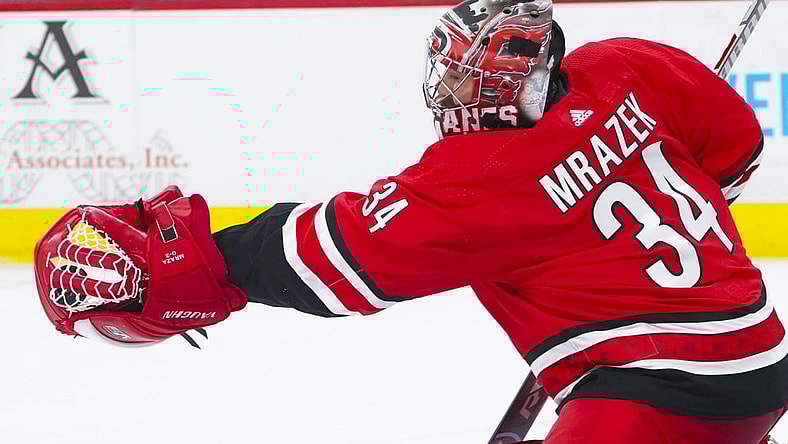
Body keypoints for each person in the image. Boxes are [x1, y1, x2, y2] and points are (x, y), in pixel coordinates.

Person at [33, 0, 787, 442]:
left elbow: (331, 257)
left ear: (508, 84)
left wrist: (201, 262)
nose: (449, 91)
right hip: (759, 355)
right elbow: (734, 153)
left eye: (465, 76)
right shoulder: (627, 66)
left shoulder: (485, 177)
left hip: (654, 398)